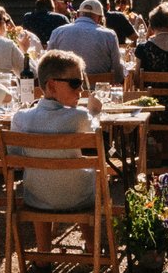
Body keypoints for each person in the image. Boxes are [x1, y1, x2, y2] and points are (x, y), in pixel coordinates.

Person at [6, 49, 99, 211]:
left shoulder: (20, 118)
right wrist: (95, 112)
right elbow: (98, 137)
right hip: (79, 197)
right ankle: (90, 237)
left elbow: (16, 157)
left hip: (35, 198)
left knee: (41, 181)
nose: (81, 90)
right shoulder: (80, 117)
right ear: (51, 86)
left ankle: (43, 238)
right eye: (75, 83)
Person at [47, 0, 123, 81]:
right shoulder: (109, 35)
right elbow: (117, 69)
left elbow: (48, 65)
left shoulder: (58, 32)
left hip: (65, 90)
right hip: (98, 91)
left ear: (78, 14)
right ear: (100, 18)